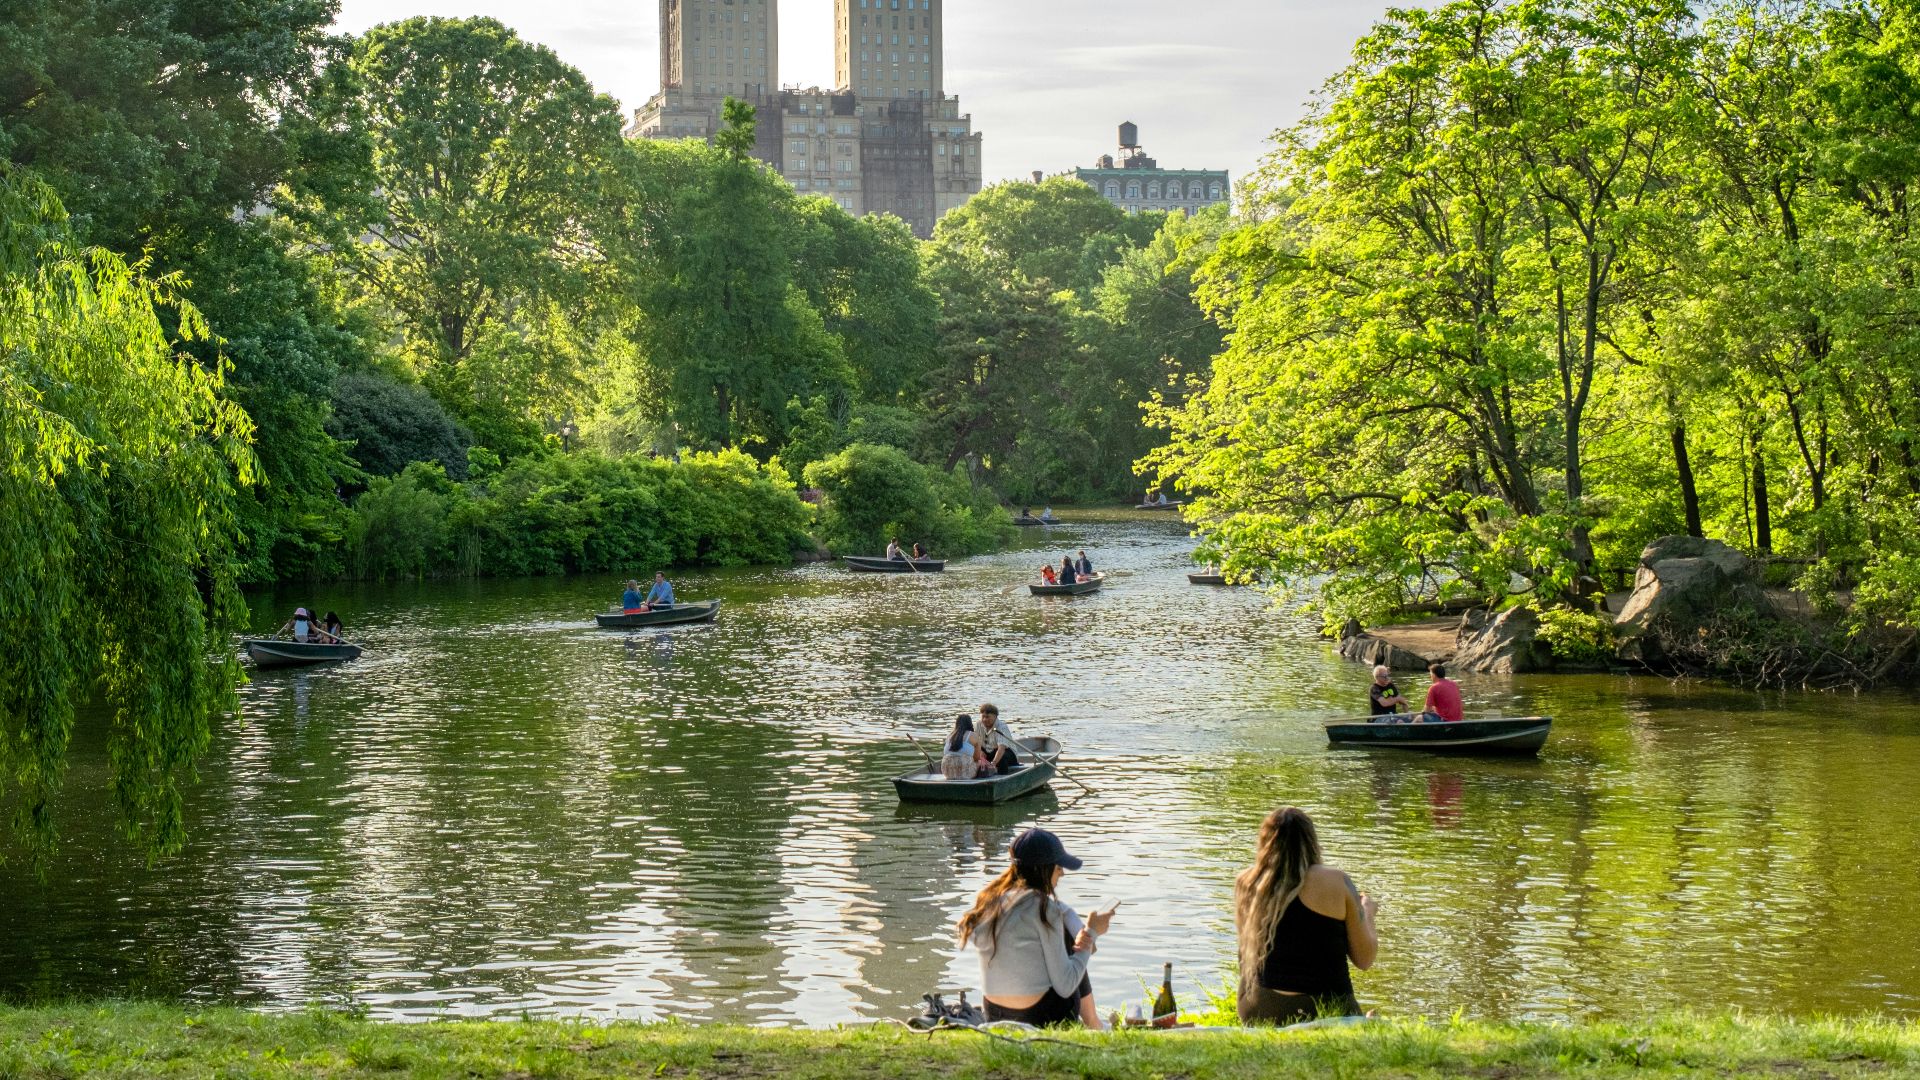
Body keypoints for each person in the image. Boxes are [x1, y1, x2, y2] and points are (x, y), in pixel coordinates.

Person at [958, 828, 1117, 1028]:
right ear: (1045, 869)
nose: (1062, 873)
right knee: (1069, 941)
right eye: (1059, 867)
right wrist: (1091, 932)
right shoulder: (1044, 910)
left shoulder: (989, 903)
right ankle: (1094, 1024)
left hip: (994, 1013)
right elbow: (1066, 985)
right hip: (1040, 1015)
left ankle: (1094, 1023)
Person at [1234, 807, 1377, 1026]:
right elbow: (1365, 959)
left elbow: (1244, 958)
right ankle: (1364, 1021)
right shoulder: (1336, 880)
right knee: (1362, 1018)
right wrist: (1367, 913)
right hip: (1327, 1008)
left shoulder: (1247, 882)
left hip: (1259, 1010)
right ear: (1312, 842)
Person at [976, 703, 1021, 774]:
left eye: (987, 717)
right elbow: (975, 742)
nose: (984, 719)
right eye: (983, 717)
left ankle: (1002, 777)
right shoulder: (978, 724)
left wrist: (993, 763)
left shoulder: (1002, 727)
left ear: (995, 716)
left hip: (1006, 753)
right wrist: (980, 753)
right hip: (989, 751)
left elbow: (1001, 748)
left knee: (1002, 758)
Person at [941, 714, 979, 780]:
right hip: (966, 774)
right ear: (970, 724)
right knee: (979, 763)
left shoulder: (950, 735)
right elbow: (976, 758)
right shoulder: (973, 735)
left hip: (946, 772)